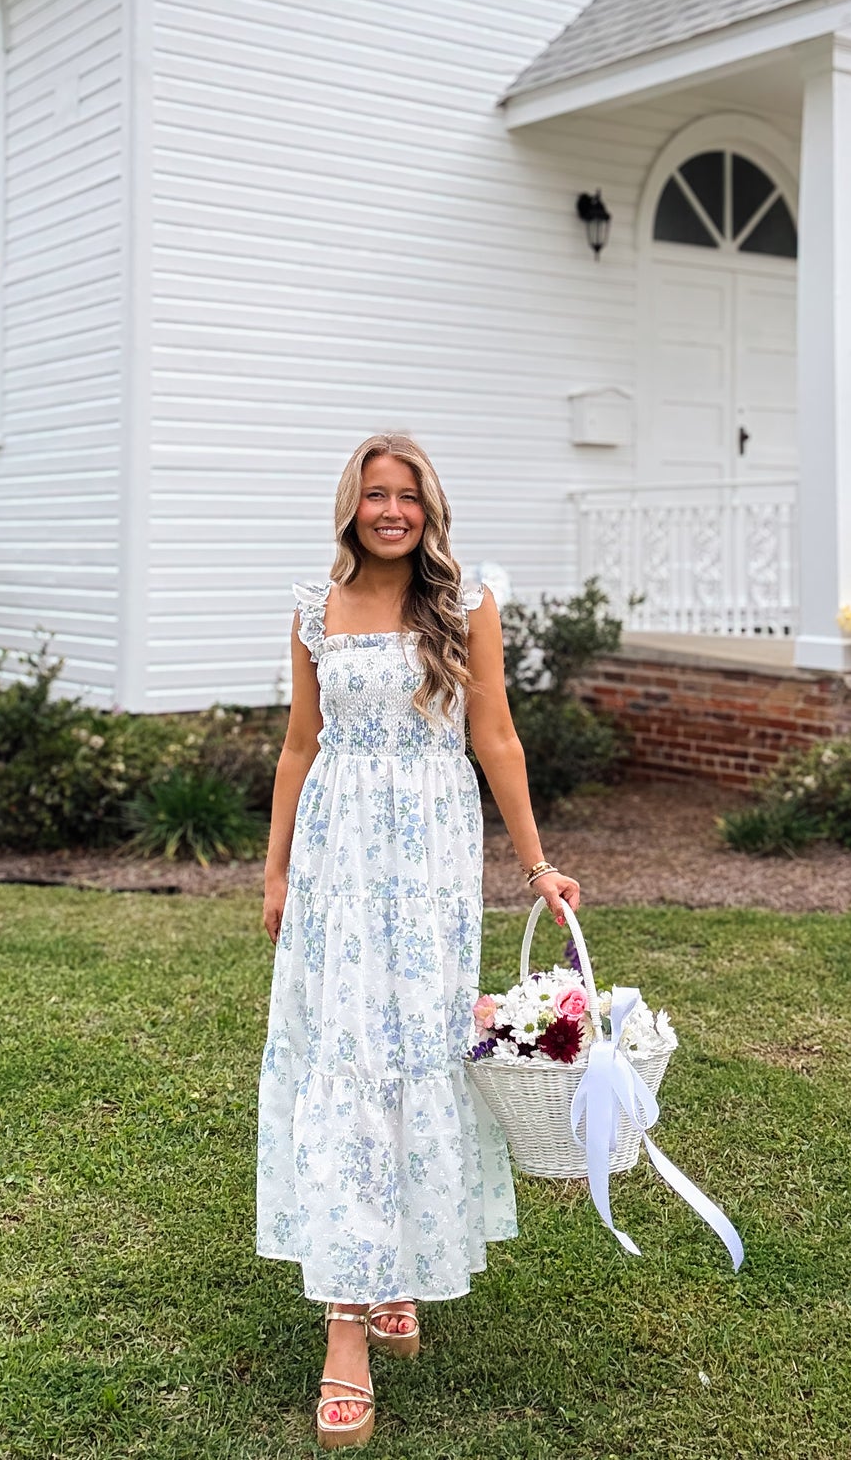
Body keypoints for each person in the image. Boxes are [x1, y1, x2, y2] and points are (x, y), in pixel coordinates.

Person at [256, 432, 581, 1449]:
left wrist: (535, 864)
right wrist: (273, 869)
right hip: (337, 861)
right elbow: (300, 743)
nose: (388, 510)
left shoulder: (466, 604)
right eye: (372, 495)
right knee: (350, 1057)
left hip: (430, 861)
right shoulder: (313, 608)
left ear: (426, 508)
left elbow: (494, 738)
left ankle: (393, 1265)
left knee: (417, 1053)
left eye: (405, 496)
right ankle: (345, 1326)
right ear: (349, 505)